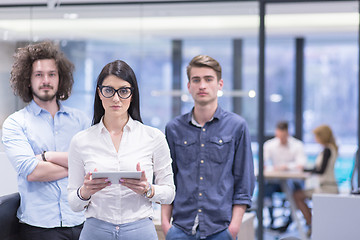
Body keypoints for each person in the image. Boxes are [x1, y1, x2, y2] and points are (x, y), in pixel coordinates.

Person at [67, 60, 175, 240]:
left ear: (132, 95)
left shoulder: (153, 137)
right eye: (109, 90)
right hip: (95, 230)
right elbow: (73, 203)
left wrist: (148, 190)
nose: (116, 99)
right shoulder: (81, 141)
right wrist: (85, 192)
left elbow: (170, 193)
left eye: (123, 91)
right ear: (99, 93)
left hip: (140, 230)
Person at [1, 41, 90, 240]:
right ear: (27, 79)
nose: (46, 80)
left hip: (82, 223)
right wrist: (77, 166)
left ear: (61, 78)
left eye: (52, 74)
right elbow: (31, 171)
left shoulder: (80, 120)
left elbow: (94, 162)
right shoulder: (16, 123)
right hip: (39, 228)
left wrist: (46, 156)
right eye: (39, 75)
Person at [161, 55, 255, 240]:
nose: (202, 85)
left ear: (220, 84)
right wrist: (166, 225)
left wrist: (233, 228)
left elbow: (244, 181)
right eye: (196, 80)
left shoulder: (237, 126)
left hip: (221, 229)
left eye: (208, 79)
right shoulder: (174, 128)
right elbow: (167, 179)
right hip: (180, 229)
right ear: (189, 86)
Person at [293, 124, 339, 235]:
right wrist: (306, 169)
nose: (315, 139)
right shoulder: (329, 149)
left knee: (297, 195)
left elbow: (321, 170)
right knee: (298, 194)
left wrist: (305, 170)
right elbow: (319, 168)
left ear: (322, 136)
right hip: (325, 186)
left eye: (316, 136)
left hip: (327, 188)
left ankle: (312, 224)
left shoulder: (328, 150)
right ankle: (312, 224)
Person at [263, 121, 307, 231]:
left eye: (284, 136)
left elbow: (301, 165)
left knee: (296, 193)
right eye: (279, 135)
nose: (281, 138)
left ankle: (289, 221)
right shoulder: (270, 145)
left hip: (293, 181)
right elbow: (263, 163)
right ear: (276, 133)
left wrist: (286, 166)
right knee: (265, 193)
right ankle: (271, 221)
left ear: (288, 133)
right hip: (275, 181)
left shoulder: (297, 145)